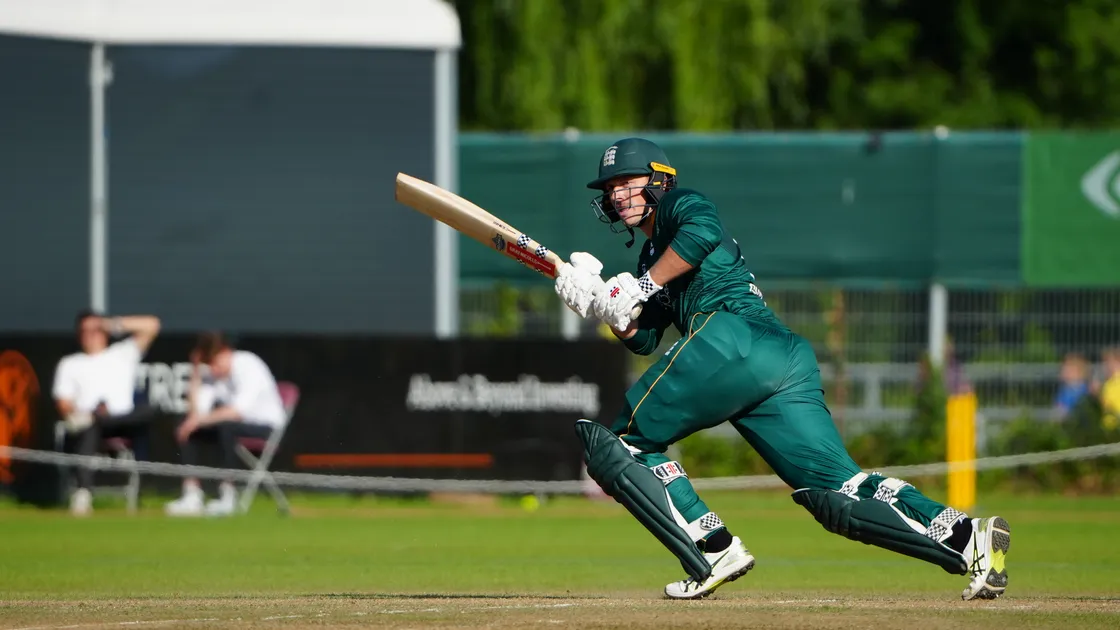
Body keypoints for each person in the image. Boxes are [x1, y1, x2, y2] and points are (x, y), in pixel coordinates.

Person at [554, 138, 1011, 601]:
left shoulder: (679, 204)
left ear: (659, 179)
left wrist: (641, 286)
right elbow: (645, 338)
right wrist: (604, 307)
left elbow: (703, 232)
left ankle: (712, 547)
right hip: (781, 356)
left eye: (626, 183)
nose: (616, 196)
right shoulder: (650, 258)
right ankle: (967, 536)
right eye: (610, 188)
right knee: (837, 494)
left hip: (731, 337)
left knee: (622, 445)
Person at [165, 332, 287, 517]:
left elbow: (237, 412)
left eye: (214, 362)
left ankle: (228, 494)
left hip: (266, 428)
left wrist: (197, 420)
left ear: (226, 351)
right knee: (188, 427)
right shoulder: (212, 375)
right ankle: (192, 495)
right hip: (234, 427)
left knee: (226, 426)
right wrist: (196, 373)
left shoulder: (248, 364)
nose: (213, 369)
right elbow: (196, 413)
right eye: (209, 364)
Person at [52, 310, 162, 516]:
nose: (90, 335)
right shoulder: (70, 363)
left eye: (95, 329)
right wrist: (79, 414)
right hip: (88, 422)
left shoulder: (122, 353)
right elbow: (64, 402)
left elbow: (152, 325)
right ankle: (83, 494)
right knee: (92, 424)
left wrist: (112, 324)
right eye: (85, 331)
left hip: (123, 420)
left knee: (147, 411)